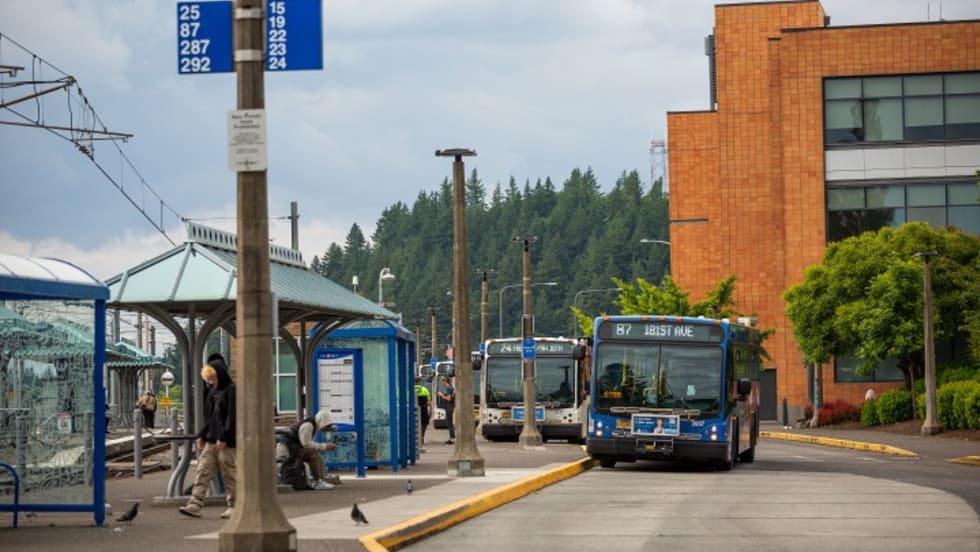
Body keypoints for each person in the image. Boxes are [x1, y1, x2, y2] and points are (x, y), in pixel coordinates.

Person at [179, 354, 236, 519]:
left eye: (212, 378)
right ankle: (194, 503)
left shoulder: (231, 391)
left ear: (219, 375)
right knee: (203, 470)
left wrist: (224, 437)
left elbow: (232, 417)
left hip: (226, 442)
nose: (211, 382)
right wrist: (203, 435)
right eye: (208, 379)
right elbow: (211, 418)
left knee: (230, 474)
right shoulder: (213, 392)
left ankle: (235, 506)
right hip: (213, 440)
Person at [278, 410, 338, 490]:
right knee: (313, 454)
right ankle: (318, 481)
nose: (327, 428)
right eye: (327, 425)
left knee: (314, 454)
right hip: (288, 449)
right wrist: (325, 446)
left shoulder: (314, 424)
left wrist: (330, 428)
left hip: (292, 447)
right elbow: (306, 444)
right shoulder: (308, 426)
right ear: (322, 422)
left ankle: (320, 479)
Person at [437, 375, 455, 444]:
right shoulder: (449, 388)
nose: (442, 383)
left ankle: (452, 438)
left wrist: (441, 395)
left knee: (449, 422)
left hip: (449, 406)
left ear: (445, 381)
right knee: (449, 422)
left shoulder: (448, 388)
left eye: (442, 382)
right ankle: (451, 438)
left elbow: (448, 399)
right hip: (448, 406)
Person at [415, 377, 432, 444]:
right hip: (423, 409)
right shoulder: (425, 390)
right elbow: (429, 402)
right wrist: (430, 412)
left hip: (414, 409)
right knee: (424, 424)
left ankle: (415, 437)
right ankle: (421, 437)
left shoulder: (410, 389)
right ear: (420, 382)